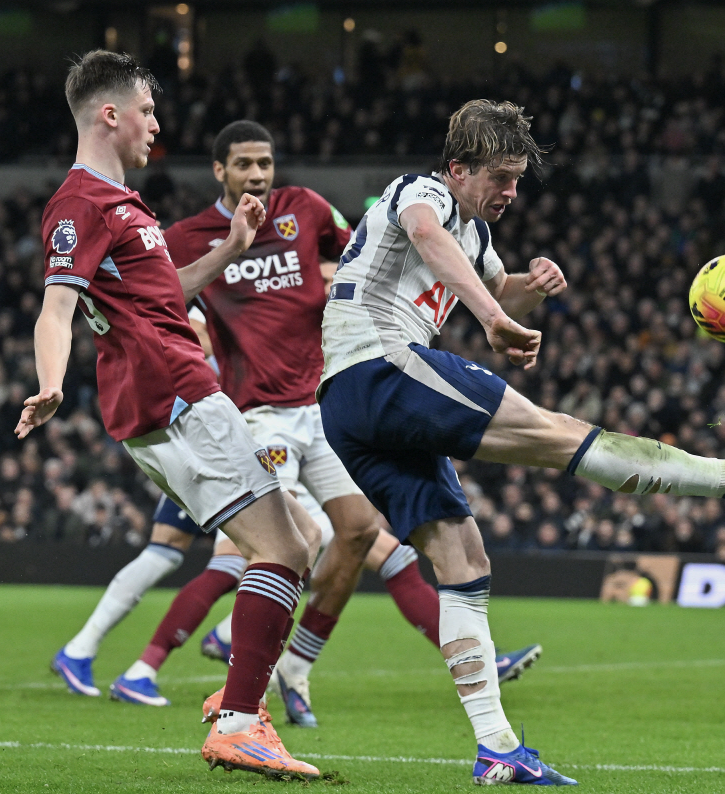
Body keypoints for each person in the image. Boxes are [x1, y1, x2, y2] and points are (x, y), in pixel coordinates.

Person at [317, 99, 725, 786]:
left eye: (518, 179)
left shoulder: (477, 236)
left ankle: (496, 748)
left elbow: (498, 289)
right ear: (457, 168)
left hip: (350, 406)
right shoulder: (422, 193)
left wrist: (530, 290)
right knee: (559, 434)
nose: (511, 192)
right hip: (377, 365)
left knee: (462, 556)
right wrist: (493, 317)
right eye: (500, 177)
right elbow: (427, 237)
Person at [109, 120, 541, 723]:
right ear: (219, 171)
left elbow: (366, 249)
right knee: (277, 545)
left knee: (362, 532)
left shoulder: (306, 209)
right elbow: (158, 300)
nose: (257, 174)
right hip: (258, 411)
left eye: (265, 162)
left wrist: (339, 281)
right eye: (243, 164)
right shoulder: (188, 236)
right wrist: (214, 287)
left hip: (321, 400)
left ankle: (287, 664)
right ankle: (178, 675)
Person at [15, 50, 319, 780]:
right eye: (147, 111)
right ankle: (240, 718)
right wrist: (50, 382)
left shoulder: (122, 203)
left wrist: (232, 249)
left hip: (163, 400)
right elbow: (56, 307)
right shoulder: (81, 203)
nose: (156, 124)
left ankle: (238, 703)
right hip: (178, 393)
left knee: (287, 544)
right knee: (288, 549)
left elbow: (162, 294)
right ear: (109, 115)